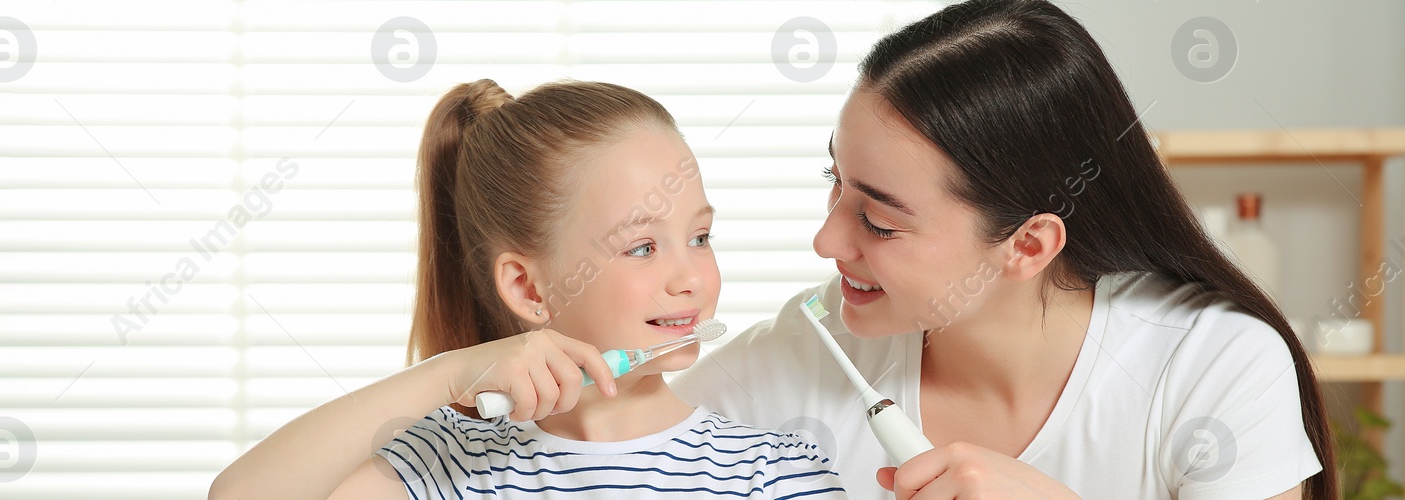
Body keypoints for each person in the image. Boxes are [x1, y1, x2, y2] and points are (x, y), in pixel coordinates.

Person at [670, 0, 1334, 498]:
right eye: (833, 183)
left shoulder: (1210, 365)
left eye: (878, 221)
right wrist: (565, 374)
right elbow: (605, 442)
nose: (825, 240)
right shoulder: (813, 344)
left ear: (1029, 244)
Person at [209, 79, 847, 499]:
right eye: (643, 247)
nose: (691, 278)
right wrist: (450, 376)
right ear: (527, 287)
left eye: (701, 238)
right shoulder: (451, 465)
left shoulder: (771, 471)